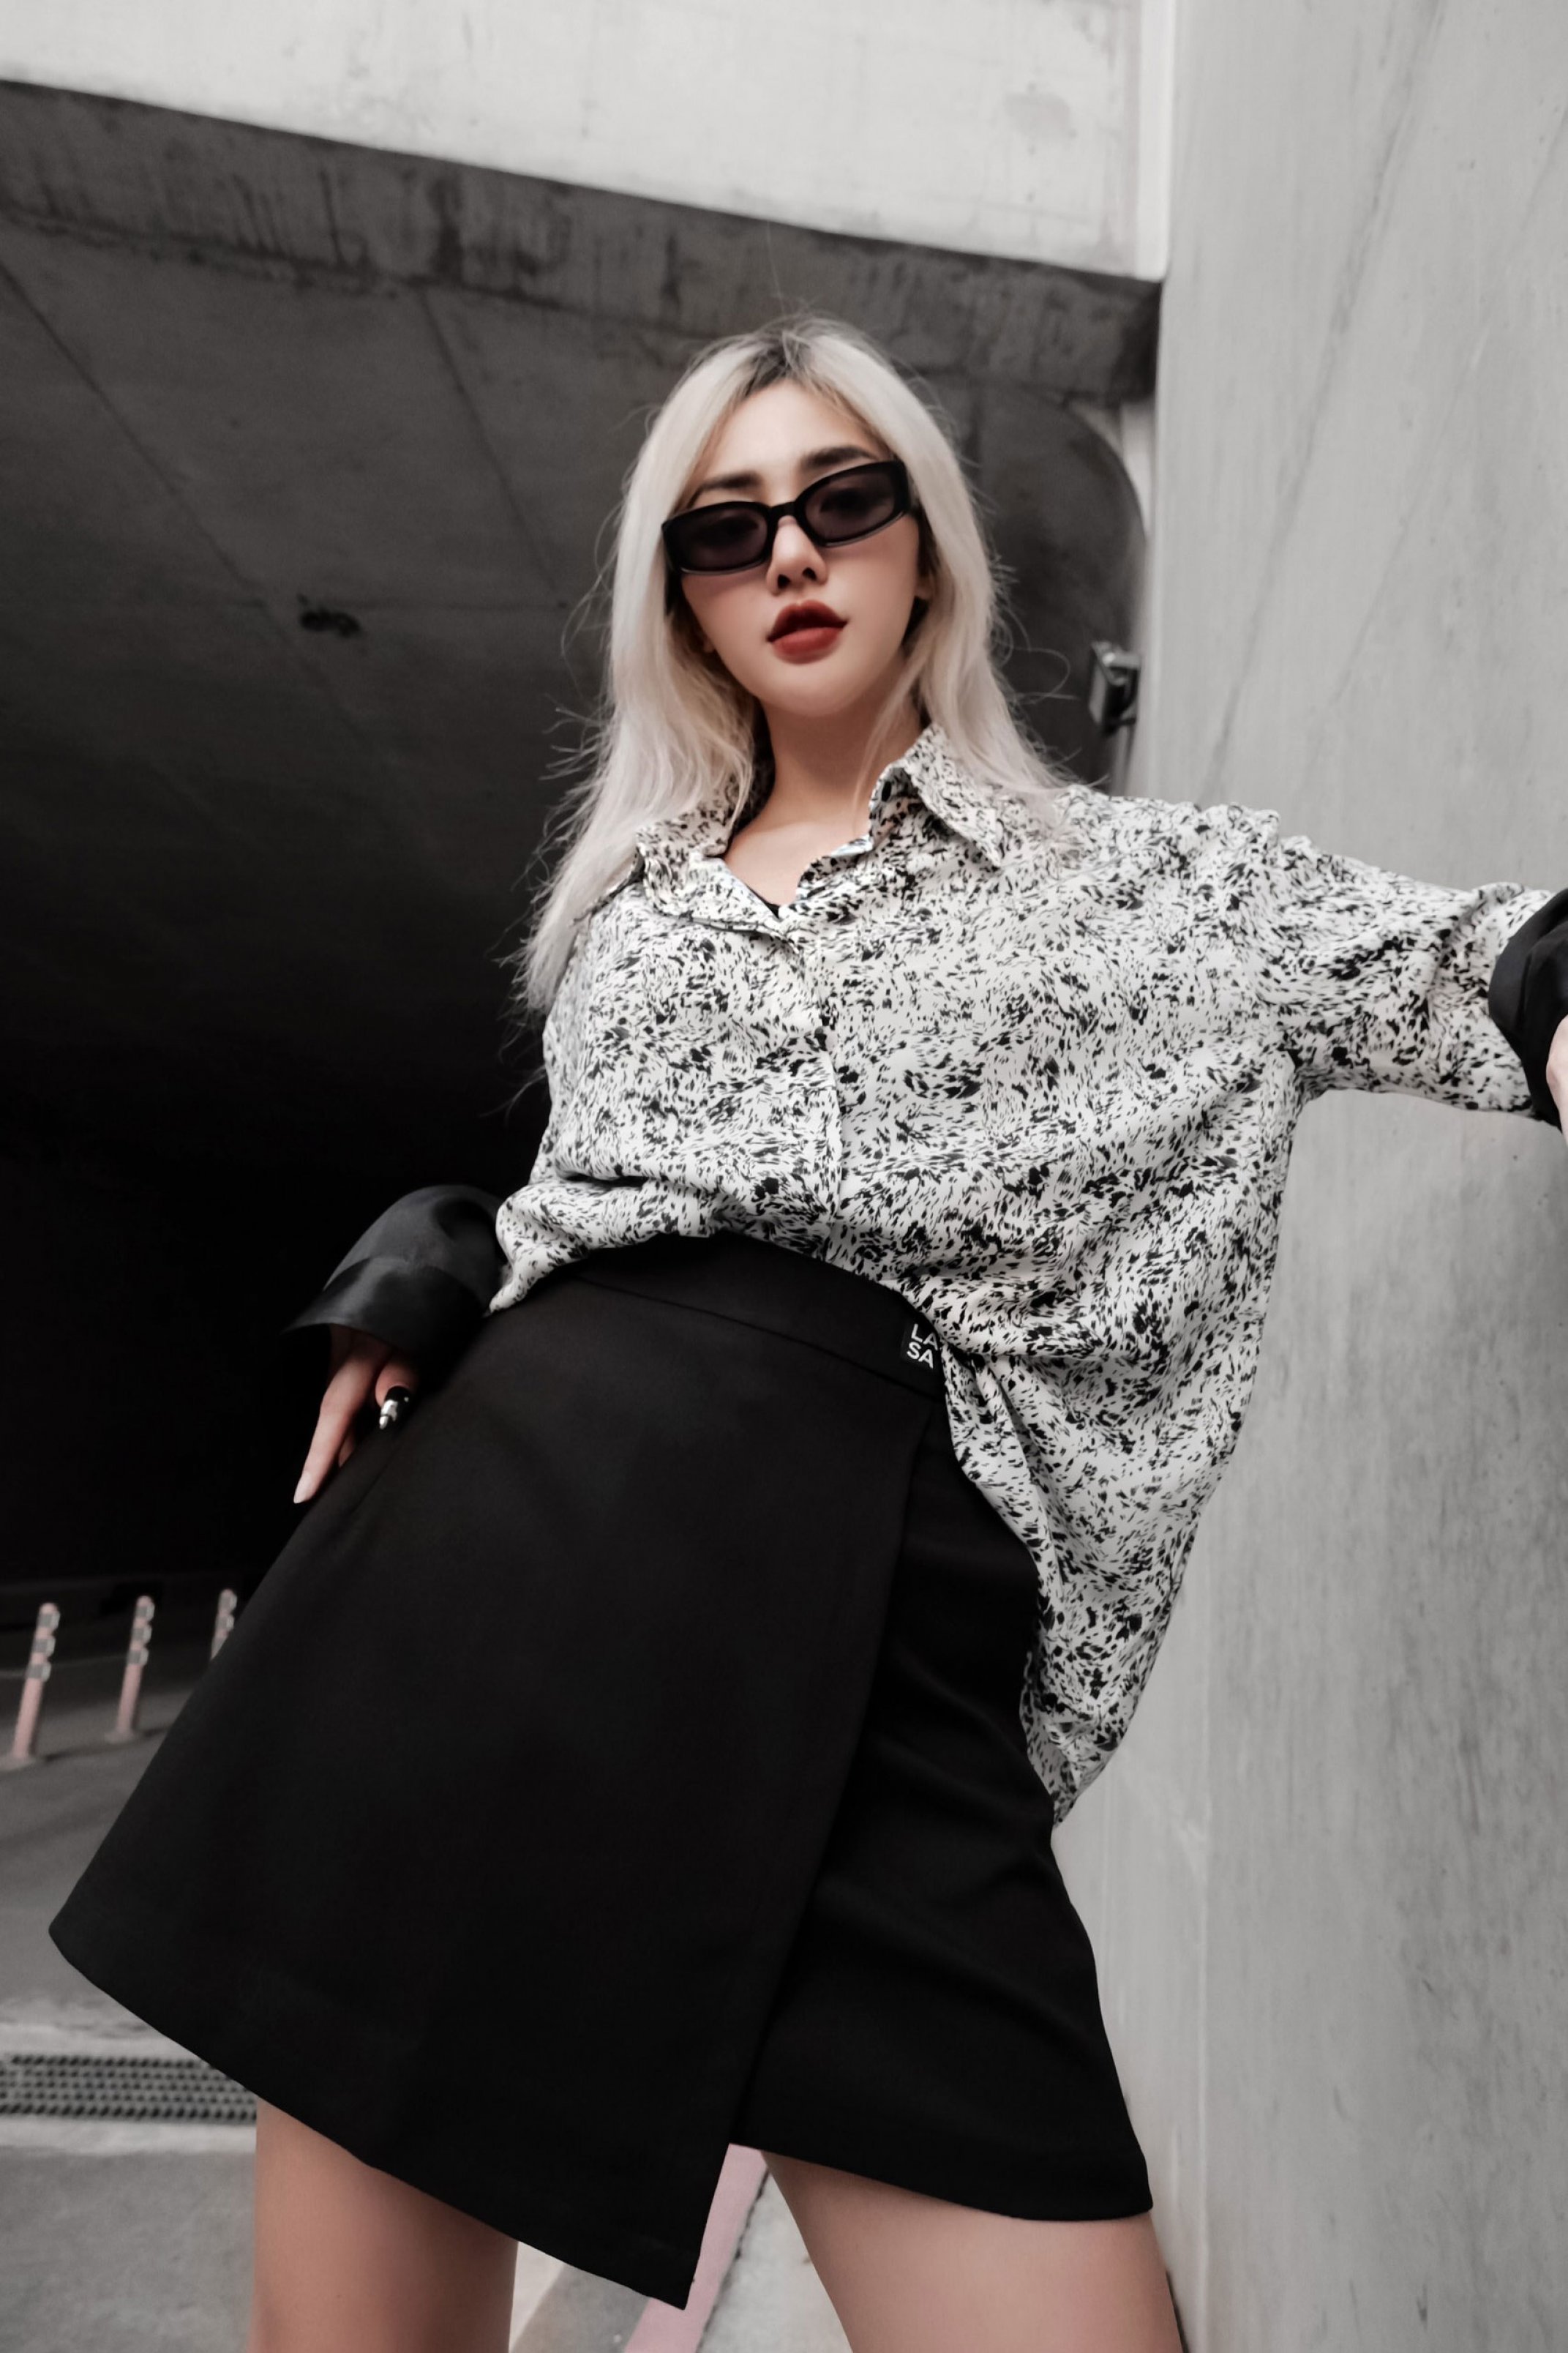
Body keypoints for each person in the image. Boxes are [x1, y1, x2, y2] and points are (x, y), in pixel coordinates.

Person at [50, 315, 1568, 2353]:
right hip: (477, 1616)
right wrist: (429, 1266)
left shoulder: (1143, 884)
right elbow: (589, 1217)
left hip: (877, 1674)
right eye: (725, 525)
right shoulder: (633, 915)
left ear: (926, 545)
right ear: (677, 594)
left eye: (844, 501)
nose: (790, 552)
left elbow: (1480, 971)